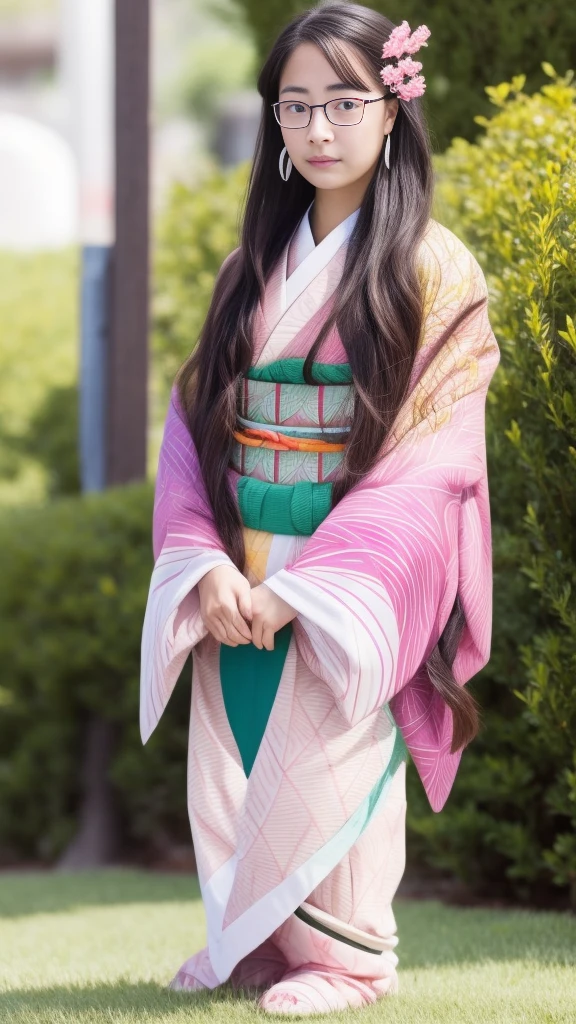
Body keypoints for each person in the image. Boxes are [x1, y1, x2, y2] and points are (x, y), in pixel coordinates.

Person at [140, 2, 501, 1015]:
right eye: (295, 106)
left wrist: (313, 586)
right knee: (250, 752)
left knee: (333, 751)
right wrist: (204, 562)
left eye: (344, 101)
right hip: (242, 557)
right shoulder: (244, 274)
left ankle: (350, 960)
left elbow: (432, 458)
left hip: (346, 565)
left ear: (393, 110)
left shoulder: (434, 271)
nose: (319, 129)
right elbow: (191, 429)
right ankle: (260, 945)